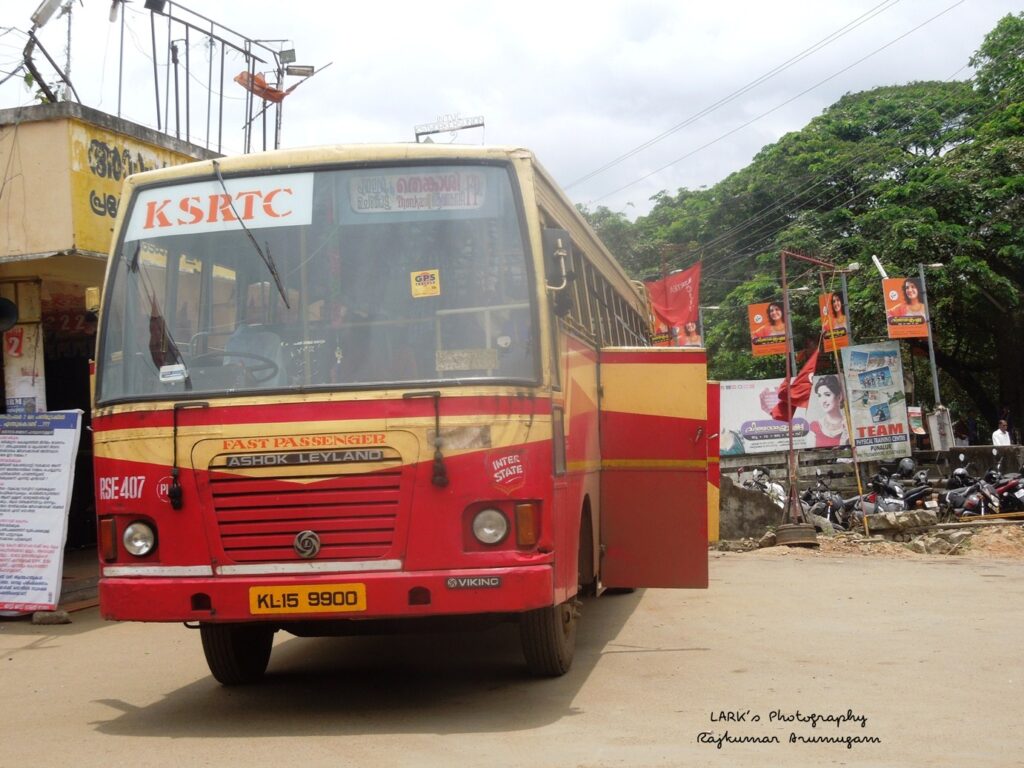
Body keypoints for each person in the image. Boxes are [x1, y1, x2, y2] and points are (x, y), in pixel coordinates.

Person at [809, 375, 849, 448]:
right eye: (819, 396)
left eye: (827, 395)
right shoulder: (815, 426)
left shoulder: (849, 423)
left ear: (839, 397)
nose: (823, 401)